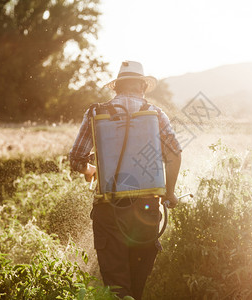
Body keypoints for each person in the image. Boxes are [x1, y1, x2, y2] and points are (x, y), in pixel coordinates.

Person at [69, 61, 182, 299]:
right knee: (136, 288)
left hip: (108, 208)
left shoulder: (96, 112)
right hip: (146, 208)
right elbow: (174, 153)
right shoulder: (156, 114)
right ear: (142, 86)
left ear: (116, 88)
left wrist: (91, 169)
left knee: (118, 290)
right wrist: (169, 193)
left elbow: (76, 159)